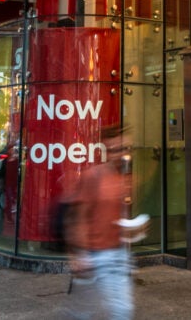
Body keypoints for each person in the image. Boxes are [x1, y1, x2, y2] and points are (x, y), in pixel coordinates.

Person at [63, 125, 135, 320]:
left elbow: (118, 215)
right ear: (107, 151)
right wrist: (79, 254)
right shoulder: (93, 176)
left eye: (124, 149)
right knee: (81, 313)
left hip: (117, 255)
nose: (120, 154)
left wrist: (133, 229)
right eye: (115, 150)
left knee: (123, 310)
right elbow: (78, 216)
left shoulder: (125, 178)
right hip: (93, 256)